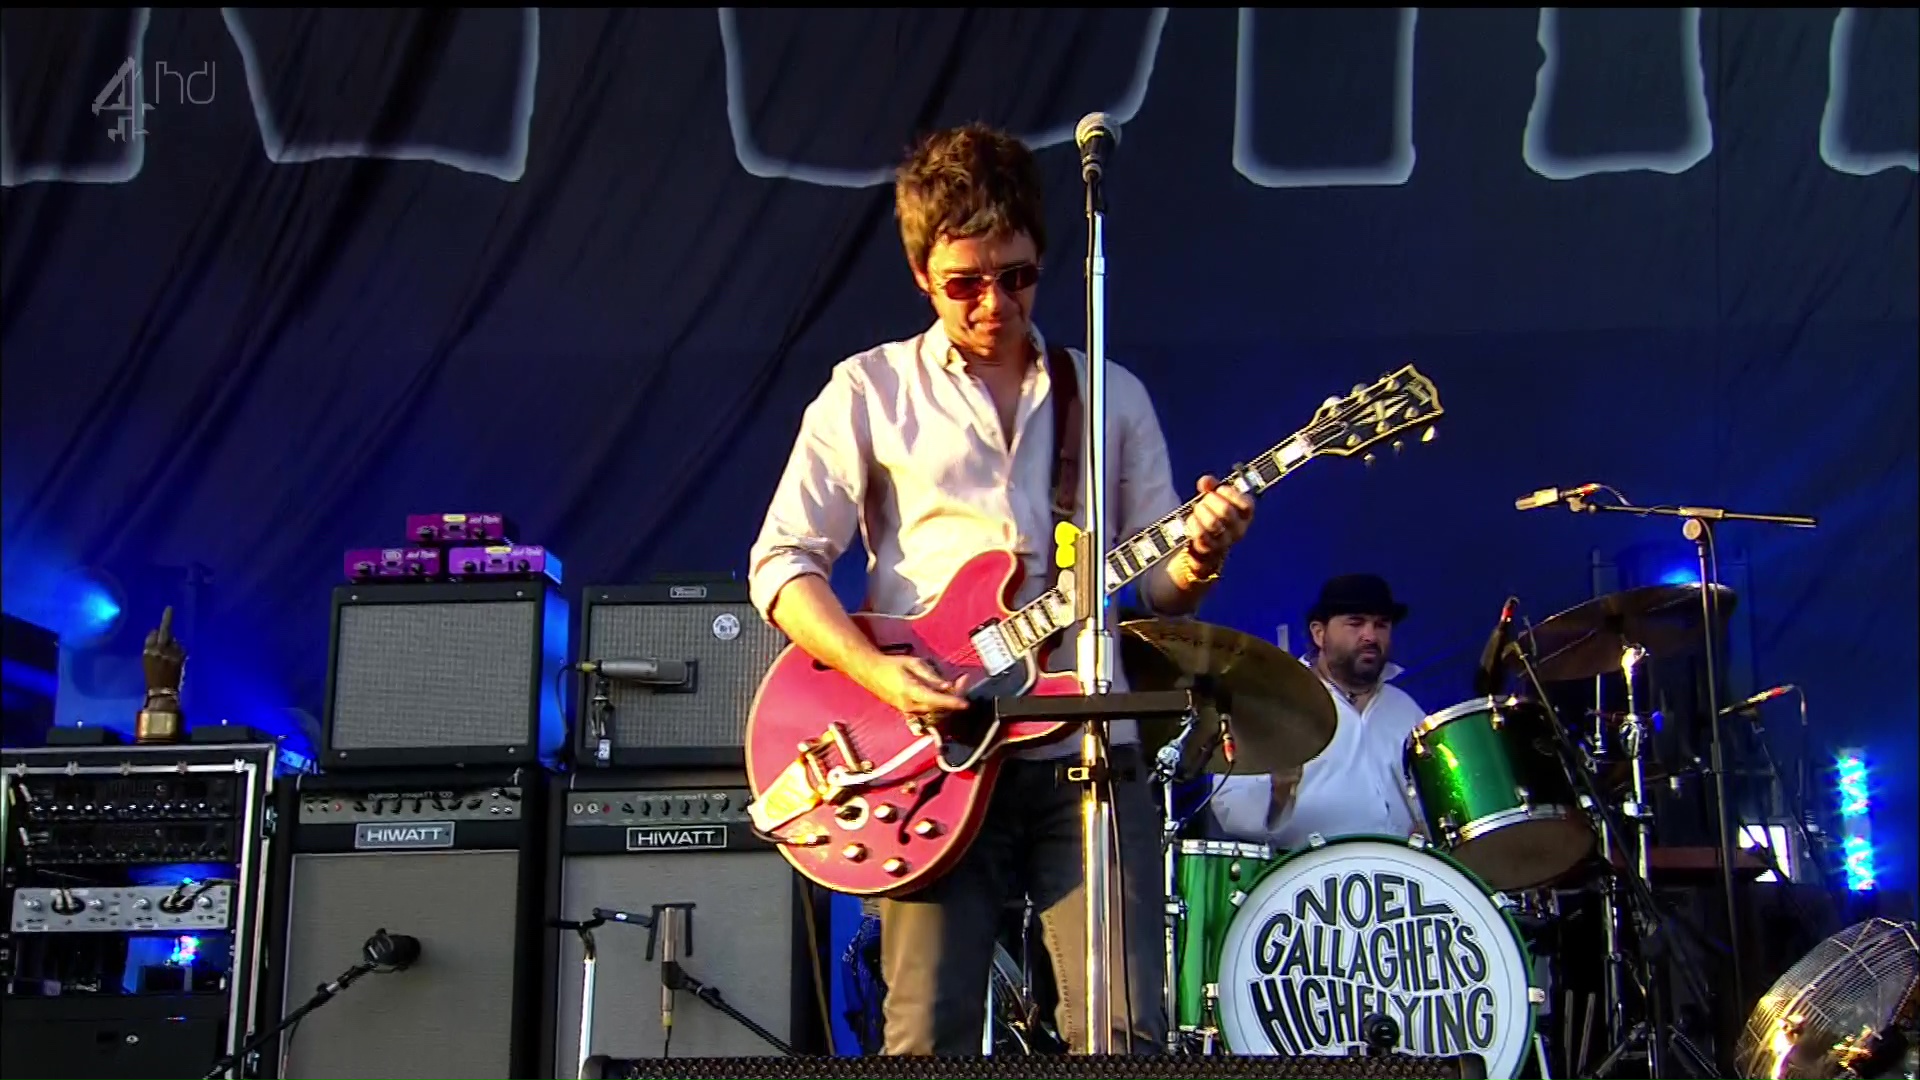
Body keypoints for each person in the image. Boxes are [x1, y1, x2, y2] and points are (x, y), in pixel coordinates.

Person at [746, 122, 1255, 1055]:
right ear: (921, 276)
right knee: (927, 1040)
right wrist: (886, 677)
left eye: (1015, 277)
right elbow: (781, 567)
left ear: (1043, 260)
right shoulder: (868, 391)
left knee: (1124, 1036)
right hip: (932, 754)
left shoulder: (1109, 394)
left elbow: (1161, 592)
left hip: (1090, 750)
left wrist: (1204, 553)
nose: (993, 304)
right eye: (965, 284)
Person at [1205, 574, 1427, 849]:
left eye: (1381, 625)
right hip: (1309, 877)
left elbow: (1436, 801)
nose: (1370, 636)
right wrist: (1279, 794)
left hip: (1401, 876)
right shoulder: (1275, 703)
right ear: (1319, 633)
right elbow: (1229, 807)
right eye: (1355, 623)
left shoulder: (1405, 709)